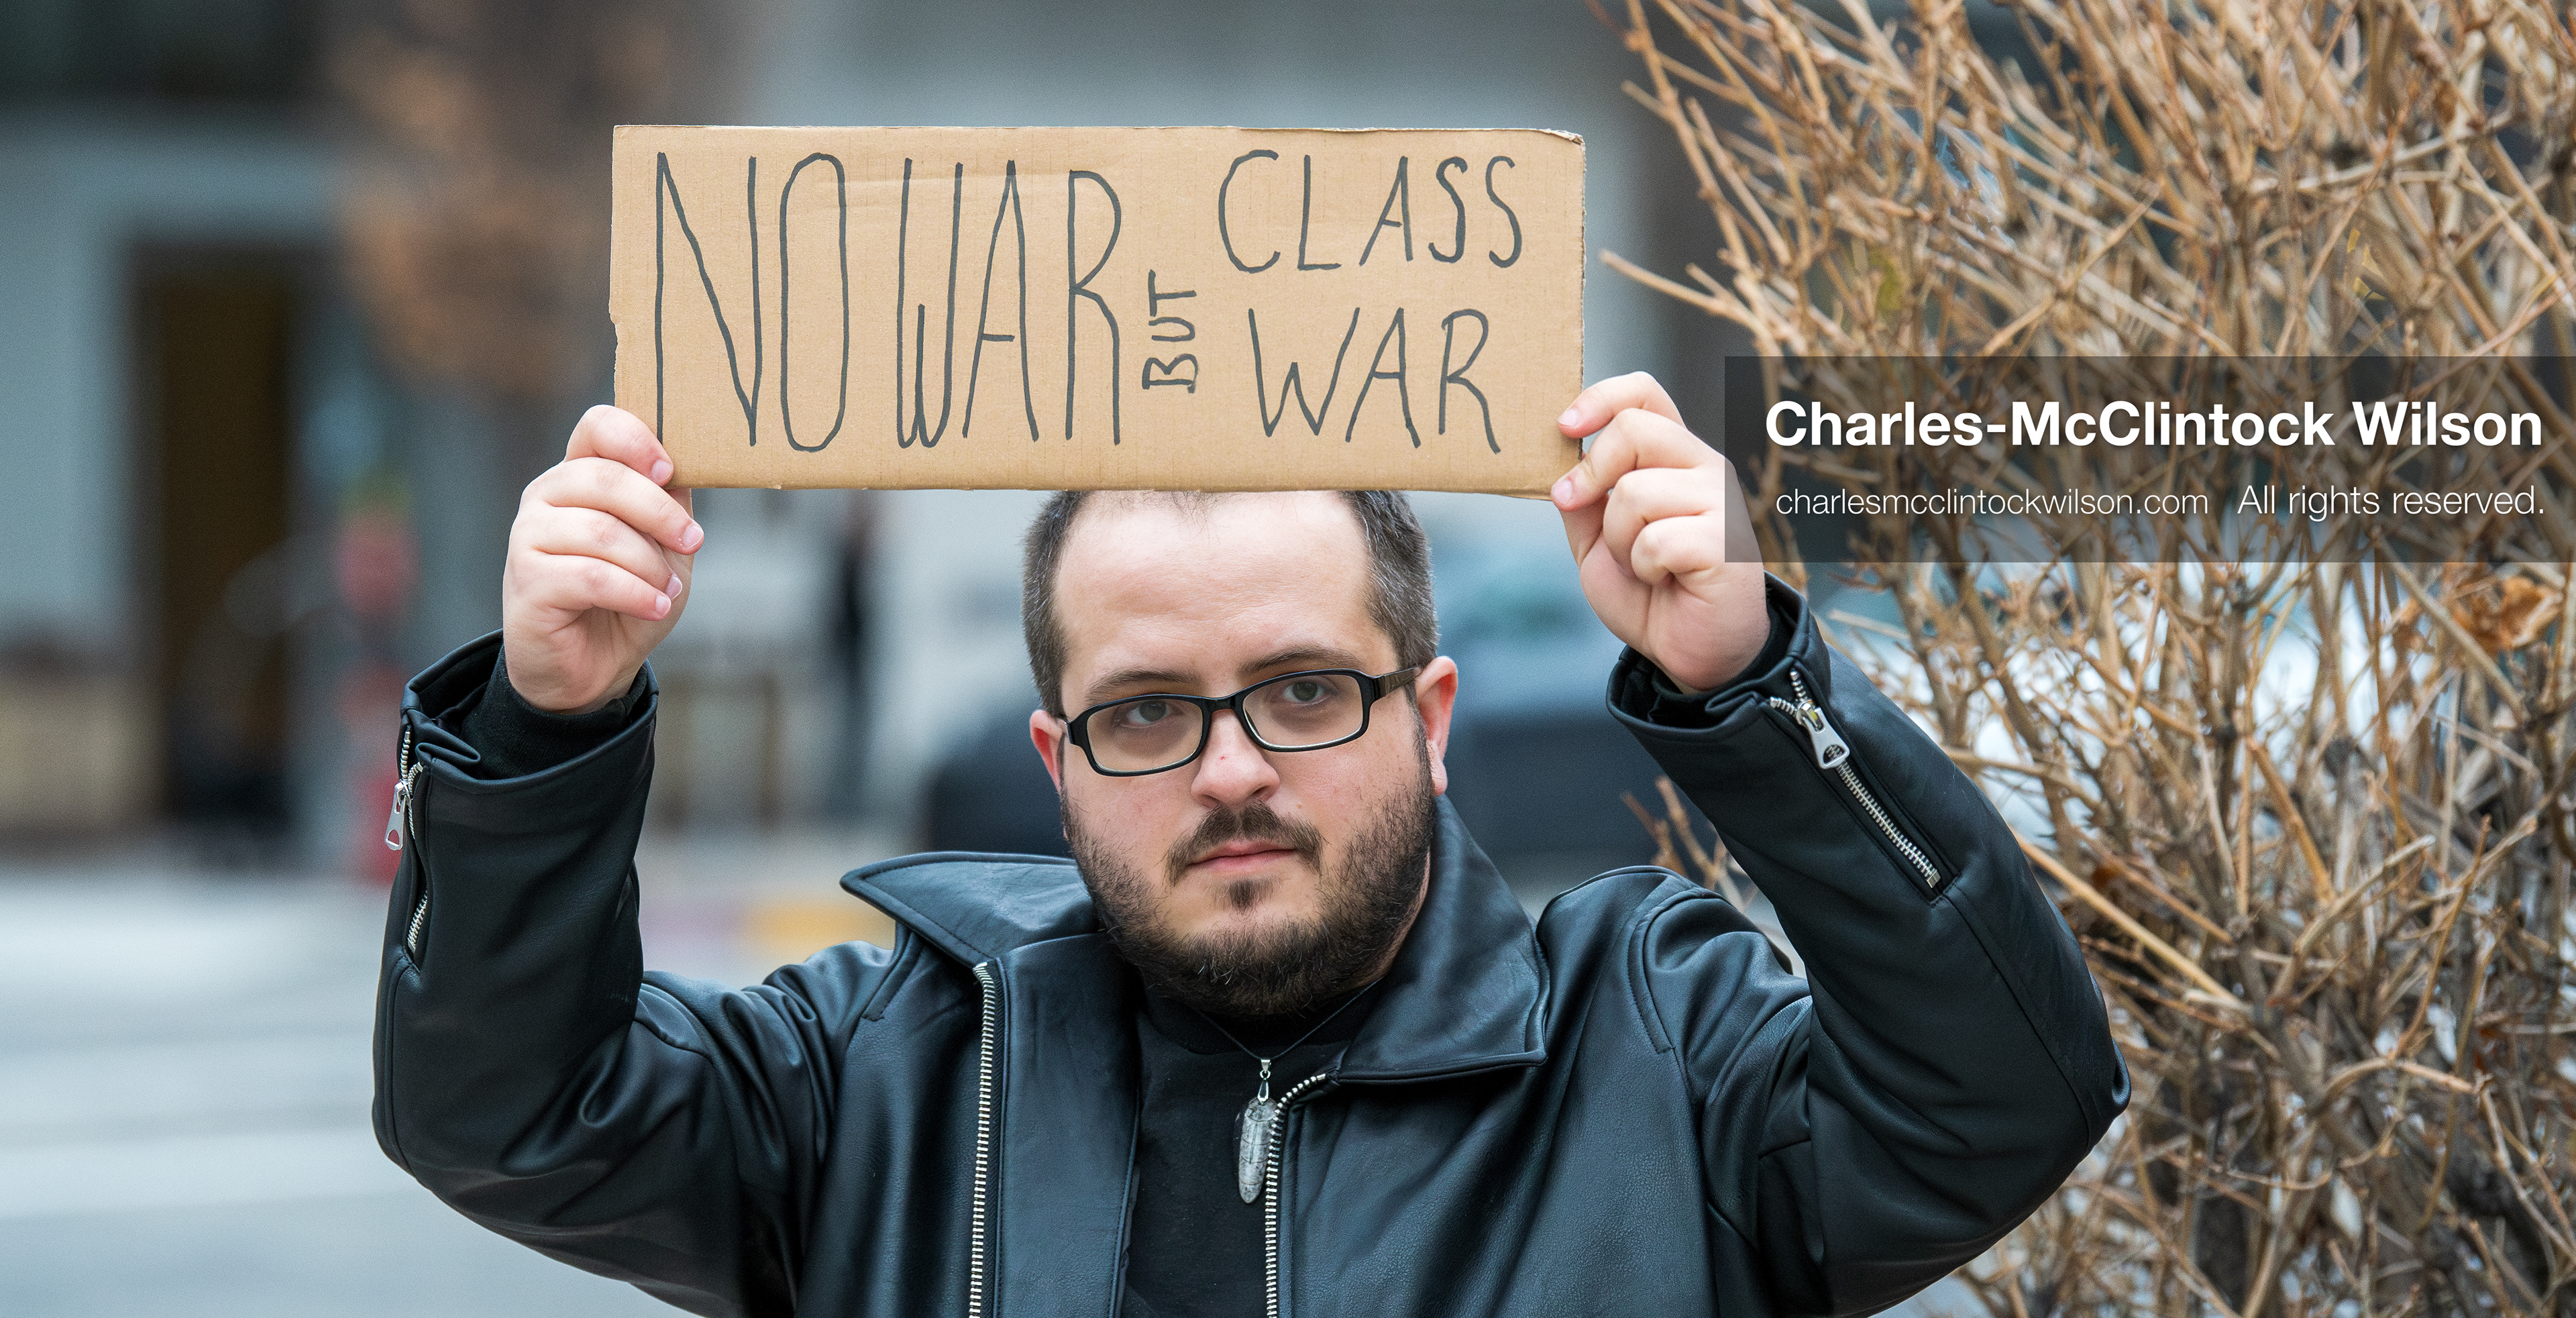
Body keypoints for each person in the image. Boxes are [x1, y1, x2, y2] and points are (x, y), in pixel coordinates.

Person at [373, 373, 2125, 1318]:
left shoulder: (1657, 1046)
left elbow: (2001, 1102)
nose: (1229, 772)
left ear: (1431, 720)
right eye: (1148, 711)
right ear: (1060, 763)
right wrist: (547, 725)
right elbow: (506, 1112)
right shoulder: (880, 1085)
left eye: (1303, 690)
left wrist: (1758, 689)